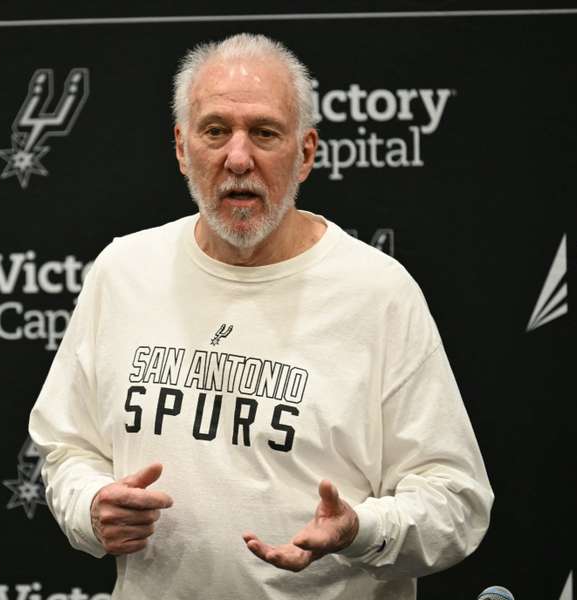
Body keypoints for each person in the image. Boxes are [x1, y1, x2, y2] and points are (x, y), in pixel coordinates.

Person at [28, 33, 493, 600]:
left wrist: (361, 529)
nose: (238, 158)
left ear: (306, 154)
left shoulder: (379, 294)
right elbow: (66, 448)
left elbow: (457, 500)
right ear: (181, 147)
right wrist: (90, 507)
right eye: (216, 131)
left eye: (265, 133)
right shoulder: (123, 271)